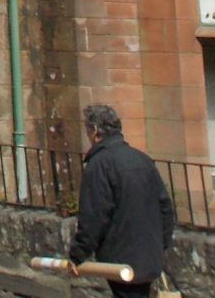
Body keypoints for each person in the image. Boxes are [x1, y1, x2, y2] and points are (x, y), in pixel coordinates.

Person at [69, 103, 176, 298]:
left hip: (120, 260)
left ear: (94, 131)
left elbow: (94, 216)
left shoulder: (99, 165)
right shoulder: (142, 159)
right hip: (149, 255)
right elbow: (165, 208)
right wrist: (161, 245)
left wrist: (77, 256)